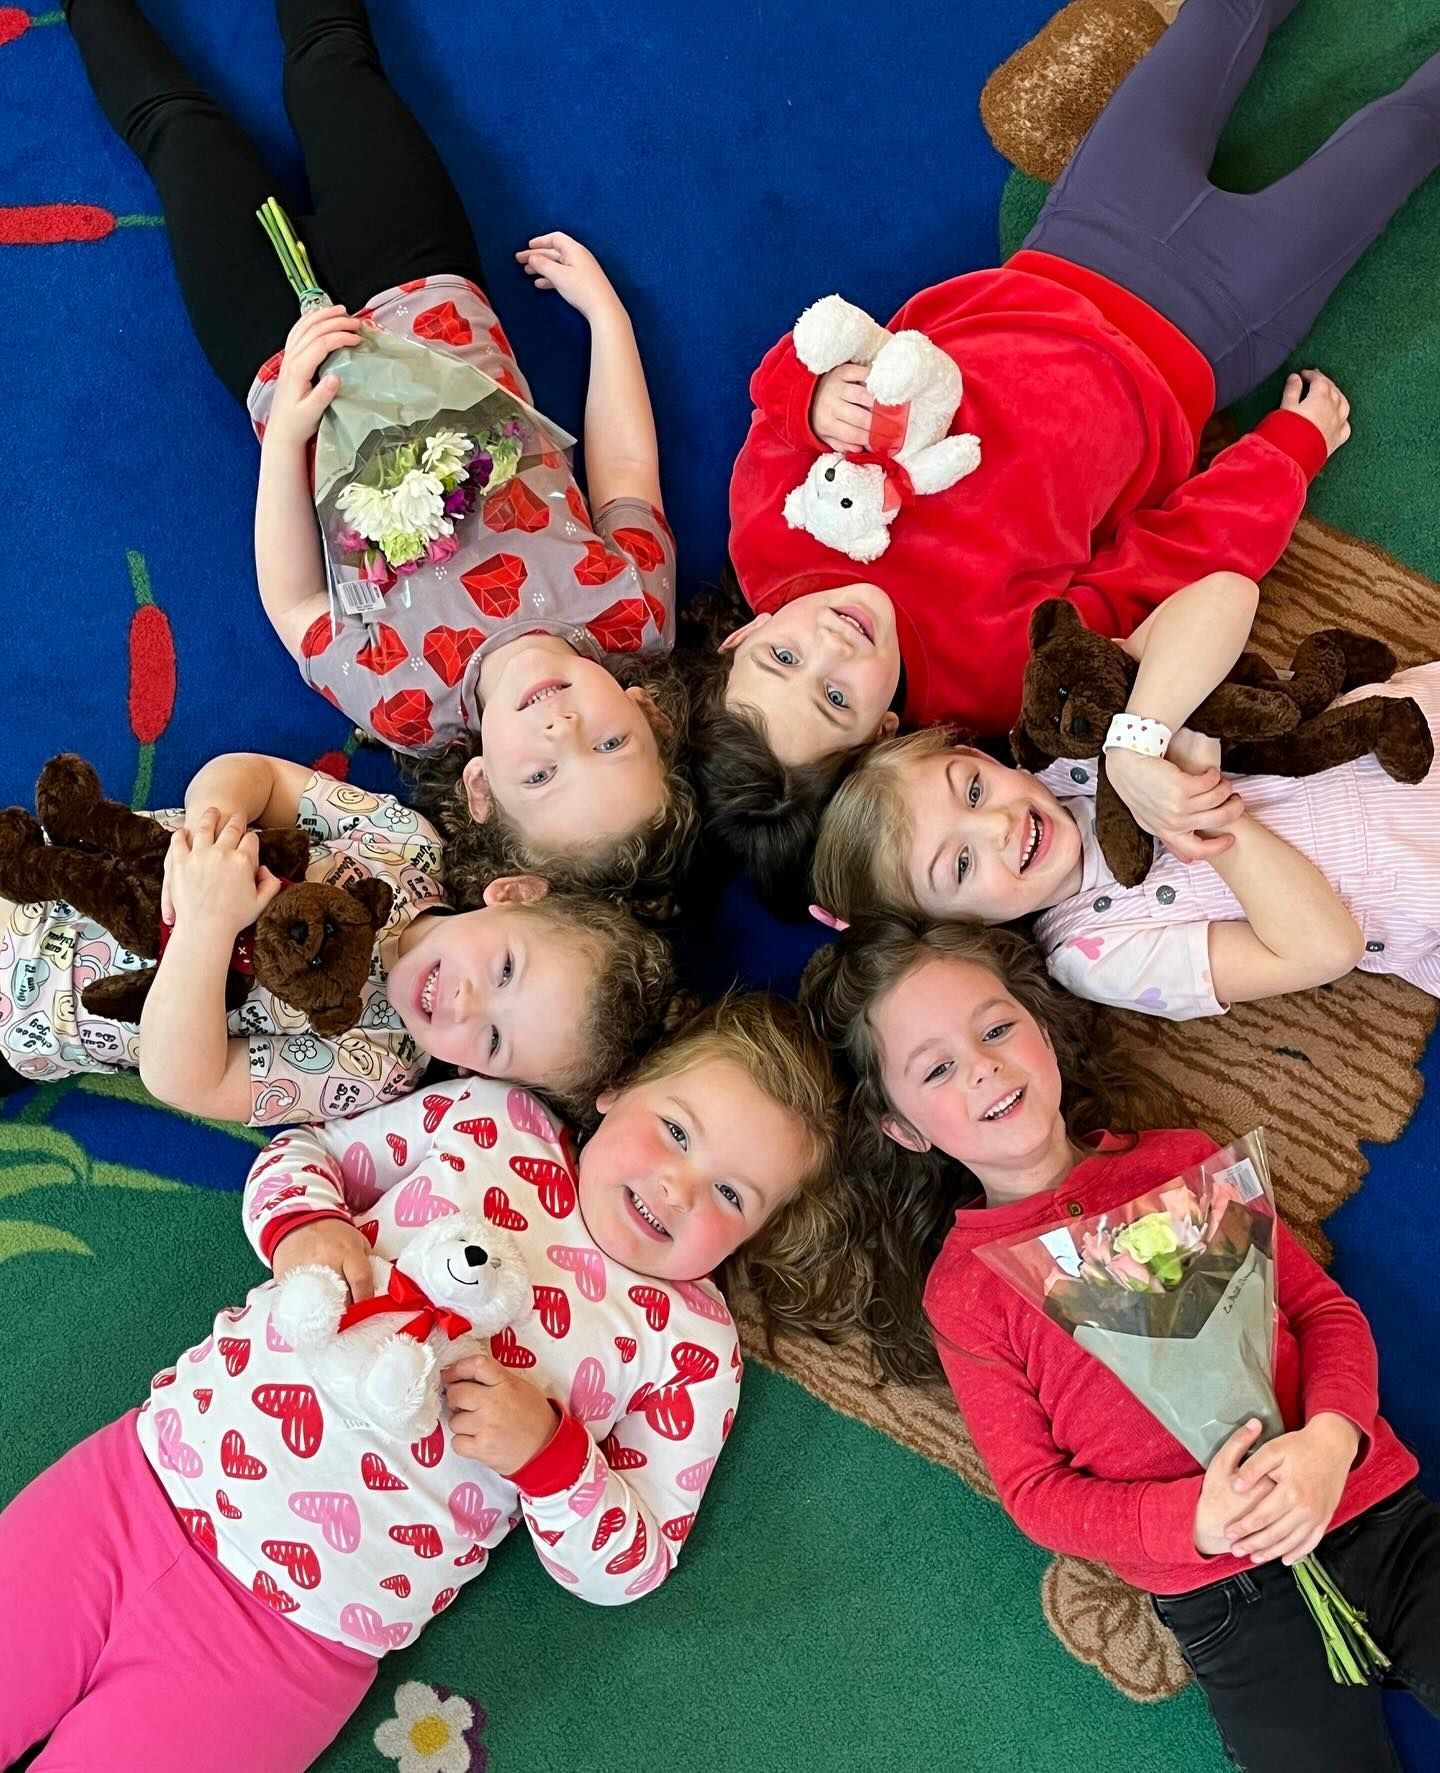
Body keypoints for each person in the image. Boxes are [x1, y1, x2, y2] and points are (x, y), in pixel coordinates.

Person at [701, 0, 1440, 898]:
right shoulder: (995, 675)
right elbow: (1159, 568)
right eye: (837, 697)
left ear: (743, 633)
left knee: (1219, 20)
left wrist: (809, 395)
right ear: (886, 731)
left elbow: (782, 385)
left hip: (1076, 243)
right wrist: (1285, 453)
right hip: (1210, 323)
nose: (827, 645)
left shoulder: (765, 533)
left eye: (780, 657)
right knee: (1403, 135)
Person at [0, 993, 847, 1772]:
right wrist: (306, 1226)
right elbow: (311, 1151)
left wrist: (552, 1460)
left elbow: (638, 1555)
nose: (678, 1184)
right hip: (132, 1484)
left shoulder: (692, 1344)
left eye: (731, 1194)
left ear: (755, 1234)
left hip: (292, 1643)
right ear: (616, 1088)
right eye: (677, 1130)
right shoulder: (492, 1119)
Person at [66, 0, 698, 903]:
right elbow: (629, 475)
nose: (561, 726)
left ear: (480, 790)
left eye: (541, 776)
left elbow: (295, 603)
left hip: (277, 351)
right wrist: (608, 319)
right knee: (333, 65)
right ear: (647, 711)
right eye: (608, 742)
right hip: (424, 277)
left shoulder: (405, 707)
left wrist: (286, 432)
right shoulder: (631, 617)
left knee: (178, 135)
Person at [801, 915, 1440, 1770]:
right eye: (939, 1068)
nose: (986, 1064)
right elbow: (1037, 1492)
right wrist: (1194, 1521)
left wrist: (1330, 1438)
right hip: (1228, 1596)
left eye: (996, 1028)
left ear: (1040, 1026)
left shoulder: (1178, 1162)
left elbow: (1324, 1315)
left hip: (1368, 1510)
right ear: (906, 1129)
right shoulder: (967, 1290)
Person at [811, 572, 1440, 1015]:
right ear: (961, 929)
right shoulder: (1092, 953)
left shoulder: (1068, 738)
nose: (996, 826)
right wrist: (1211, 817)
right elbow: (1328, 949)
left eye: (972, 789)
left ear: (977, 755)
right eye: (962, 864)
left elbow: (1227, 594)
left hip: (1415, 729)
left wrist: (1137, 742)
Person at [0, 753, 677, 1123]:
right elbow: (255, 776)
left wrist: (205, 926)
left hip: (20, 1021)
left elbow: (187, 1079)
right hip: (34, 873)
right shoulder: (406, 846)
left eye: (495, 1040)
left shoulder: (376, 1063)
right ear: (514, 894)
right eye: (504, 969)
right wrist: (213, 828)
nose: (468, 1002)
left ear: (479, 1073)